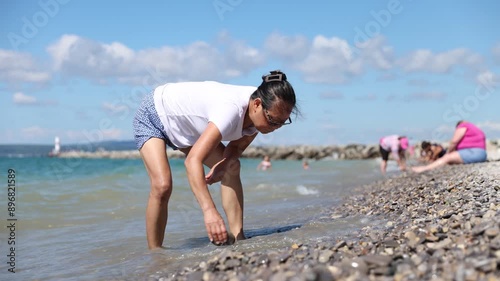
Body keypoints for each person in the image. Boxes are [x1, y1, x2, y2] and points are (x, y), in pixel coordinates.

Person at [133, 70, 298, 249]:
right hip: (155, 114)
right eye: (273, 121)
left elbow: (236, 147)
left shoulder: (264, 106)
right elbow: (192, 161)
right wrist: (209, 211)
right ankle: (156, 254)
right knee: (162, 185)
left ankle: (238, 239)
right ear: (257, 104)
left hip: (188, 128)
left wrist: (224, 164)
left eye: (283, 122)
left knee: (232, 168)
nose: (276, 127)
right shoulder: (231, 111)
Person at [412, 121, 487, 173]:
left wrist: (448, 153)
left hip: (473, 153)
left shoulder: (463, 125)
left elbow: (454, 142)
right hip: (479, 153)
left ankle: (425, 168)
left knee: (447, 158)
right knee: (449, 161)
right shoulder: (474, 128)